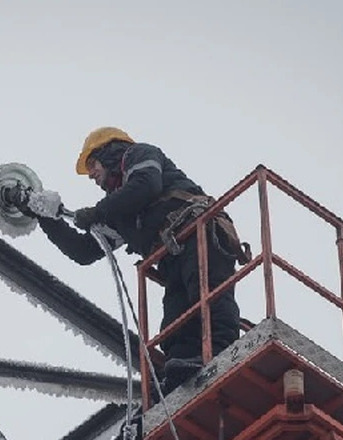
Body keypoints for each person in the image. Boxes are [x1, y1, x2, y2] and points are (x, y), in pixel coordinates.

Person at [25, 127, 247, 394]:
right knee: (176, 319)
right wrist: (46, 218)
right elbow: (84, 251)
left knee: (207, 295)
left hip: (200, 231)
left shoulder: (138, 155)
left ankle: (223, 351)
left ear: (109, 152)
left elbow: (146, 185)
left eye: (92, 164)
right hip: (173, 256)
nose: (92, 175)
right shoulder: (121, 212)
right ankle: (182, 369)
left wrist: (97, 212)